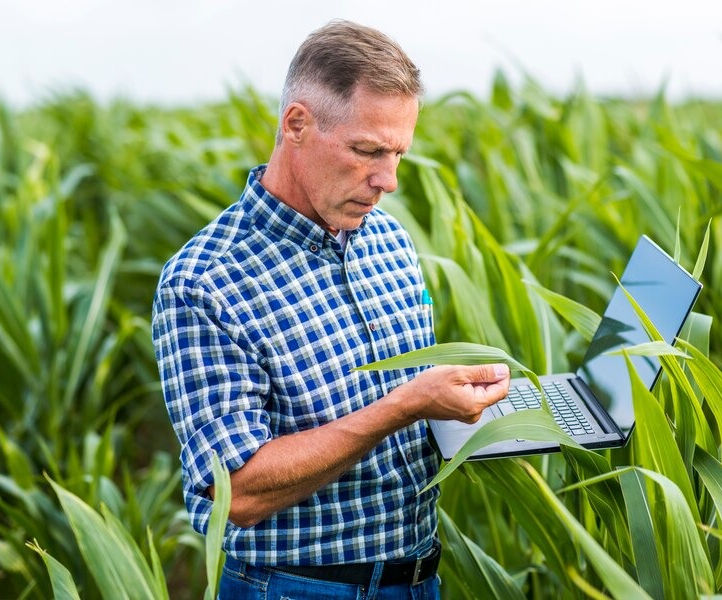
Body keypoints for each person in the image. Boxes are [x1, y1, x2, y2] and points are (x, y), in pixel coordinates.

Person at [152, 20, 511, 600]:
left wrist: (487, 412)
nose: (387, 180)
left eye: (398, 154)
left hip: (420, 579)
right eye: (366, 150)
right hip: (296, 588)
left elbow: (413, 411)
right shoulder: (205, 282)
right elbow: (237, 491)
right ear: (296, 124)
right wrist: (403, 405)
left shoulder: (389, 240)